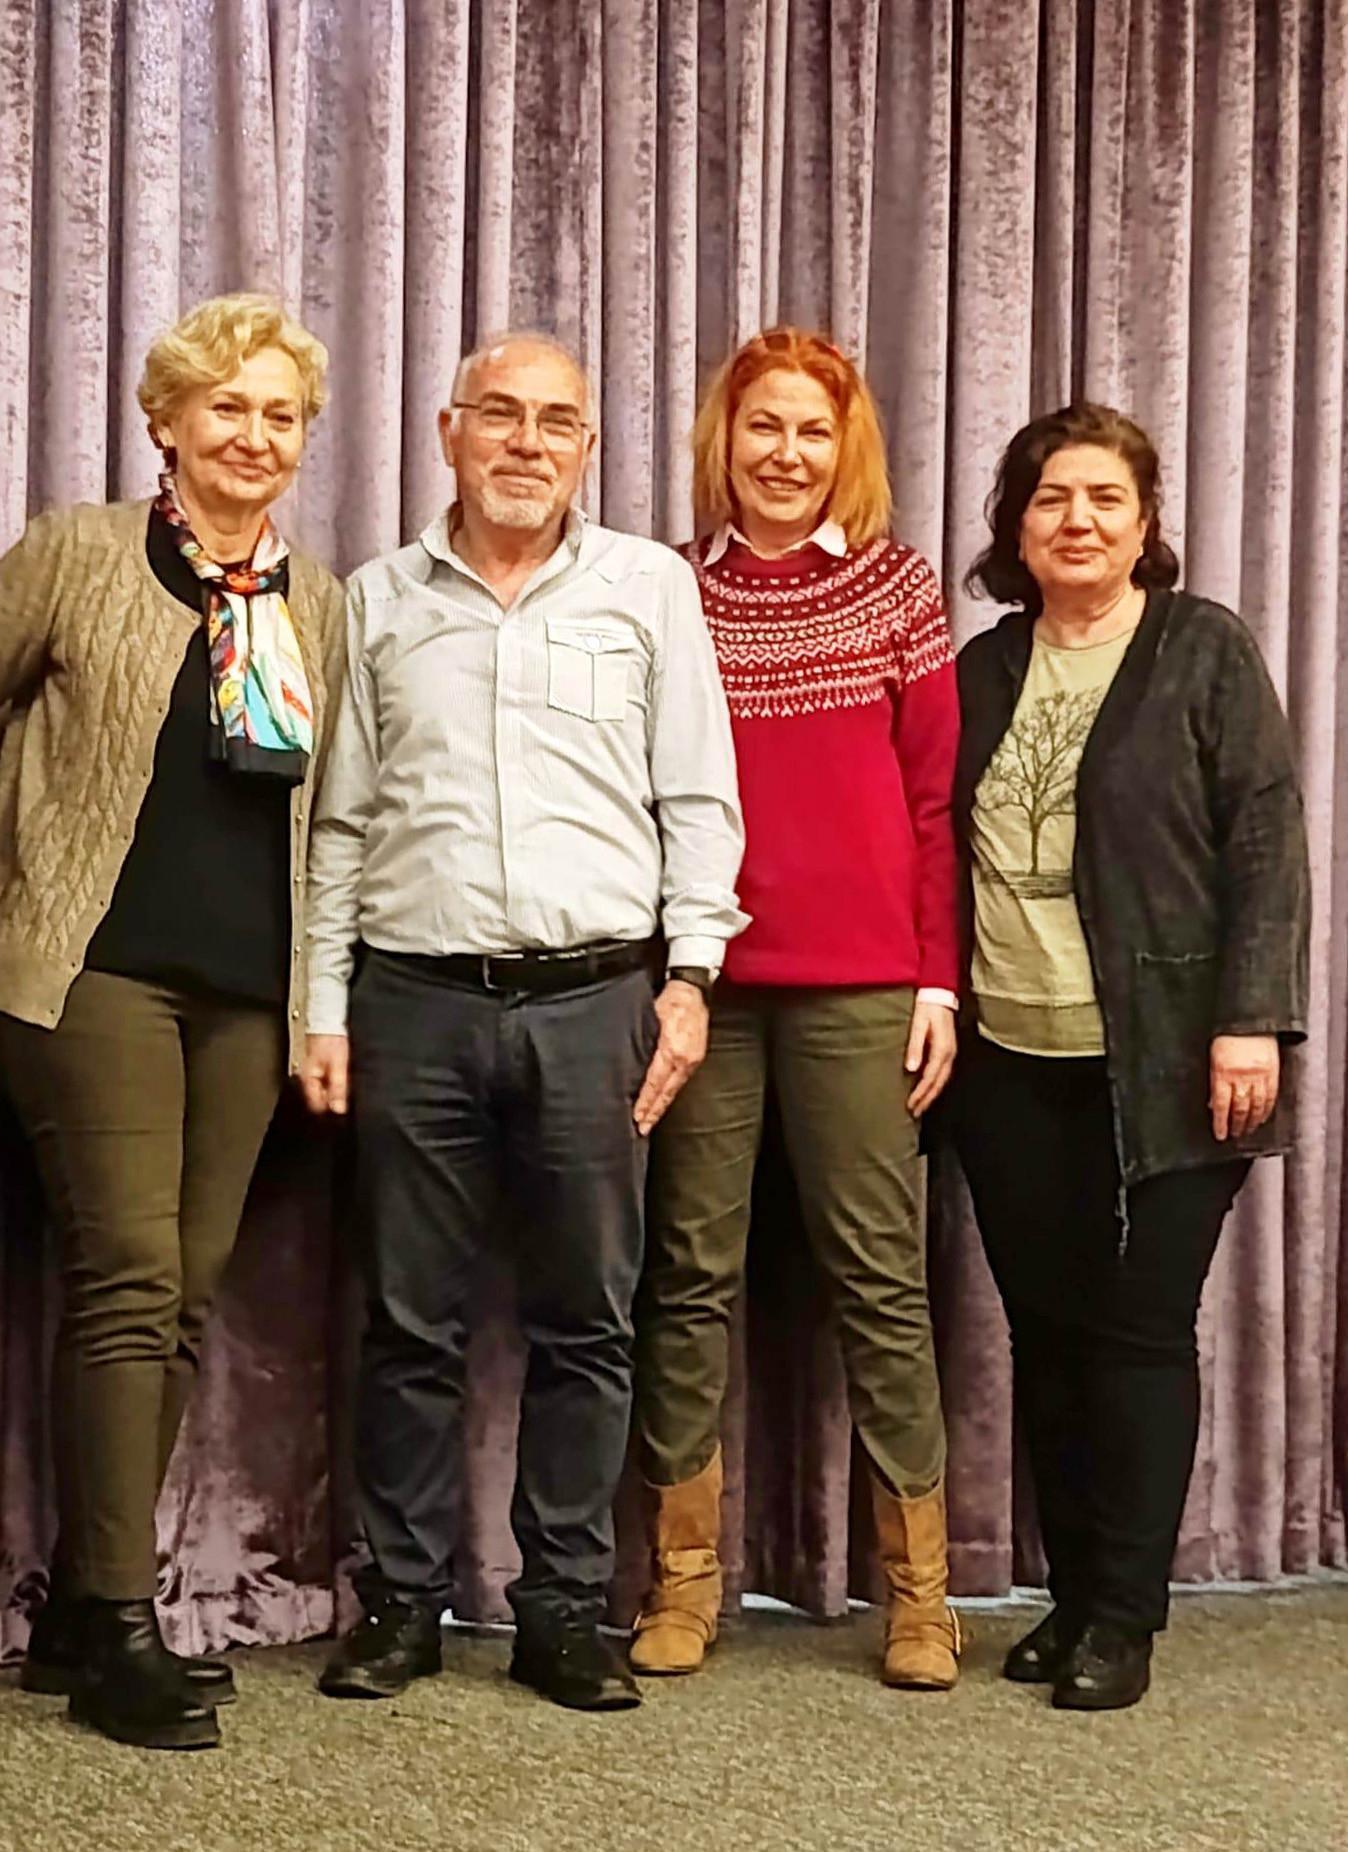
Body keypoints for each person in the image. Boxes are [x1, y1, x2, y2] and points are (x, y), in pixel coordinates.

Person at [301, 331, 746, 1713]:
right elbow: (340, 822)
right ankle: (400, 1604)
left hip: (597, 1004)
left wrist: (691, 979)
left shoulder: (649, 589)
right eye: (499, 413)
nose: (527, 442)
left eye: (557, 421)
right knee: (406, 1324)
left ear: (589, 448)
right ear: (449, 431)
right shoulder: (378, 600)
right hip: (415, 1003)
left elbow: (699, 797)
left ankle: (562, 1608)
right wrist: (323, 1004)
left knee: (589, 1324)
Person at [0, 293, 345, 1752]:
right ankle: (123, 1625)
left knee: (183, 1291)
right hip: (93, 975)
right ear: (167, 421)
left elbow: (329, 813)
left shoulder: (317, 602)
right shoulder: (76, 551)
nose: (253, 435)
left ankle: (83, 1606)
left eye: (279, 414)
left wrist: (317, 1001)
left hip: (246, 992)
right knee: (127, 1277)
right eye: (226, 407)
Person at [951, 404, 1310, 1711]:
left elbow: (1266, 841)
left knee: (1141, 1330)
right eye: (1052, 498)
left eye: (1106, 498)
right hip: (1008, 1051)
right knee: (1047, 1334)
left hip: (1175, 1058)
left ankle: (1125, 1614)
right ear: (1017, 524)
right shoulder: (984, 668)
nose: (1079, 521)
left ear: (1145, 522)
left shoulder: (1202, 649)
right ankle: (1073, 1595)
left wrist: (1252, 1017)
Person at [629, 328, 965, 1688]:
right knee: (686, 1278)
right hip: (706, 989)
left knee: (882, 1284)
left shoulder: (898, 588)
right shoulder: (668, 590)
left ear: (847, 449)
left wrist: (937, 979)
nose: (786, 453)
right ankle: (680, 1582)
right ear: (726, 440)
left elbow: (935, 803)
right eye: (763, 426)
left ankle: (922, 1602)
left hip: (864, 990)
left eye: (812, 431)